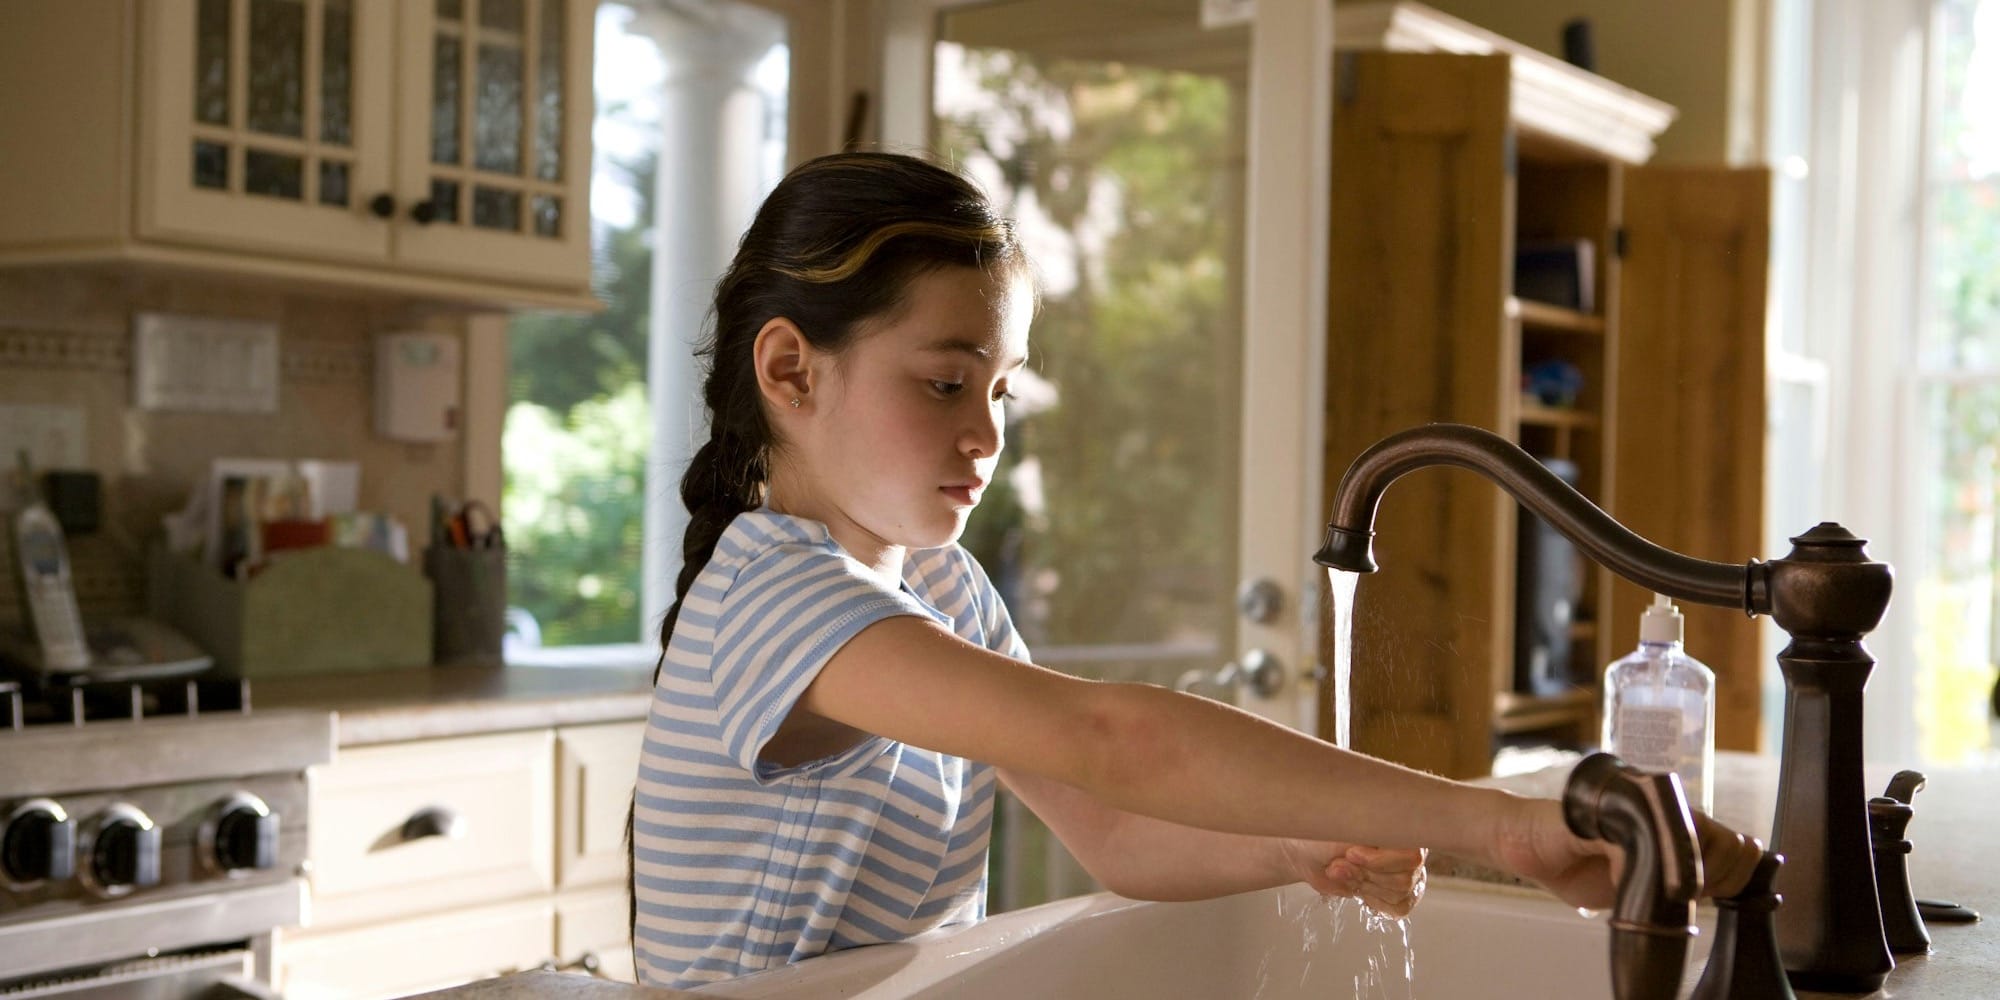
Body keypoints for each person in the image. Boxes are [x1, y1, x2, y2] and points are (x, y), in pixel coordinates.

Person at [628, 151, 1762, 989]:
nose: (986, 432)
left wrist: (1295, 843)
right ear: (790, 368)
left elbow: (1111, 824)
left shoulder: (939, 587)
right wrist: (1499, 824)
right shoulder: (769, 595)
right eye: (943, 382)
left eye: (1002, 390)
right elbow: (1114, 740)